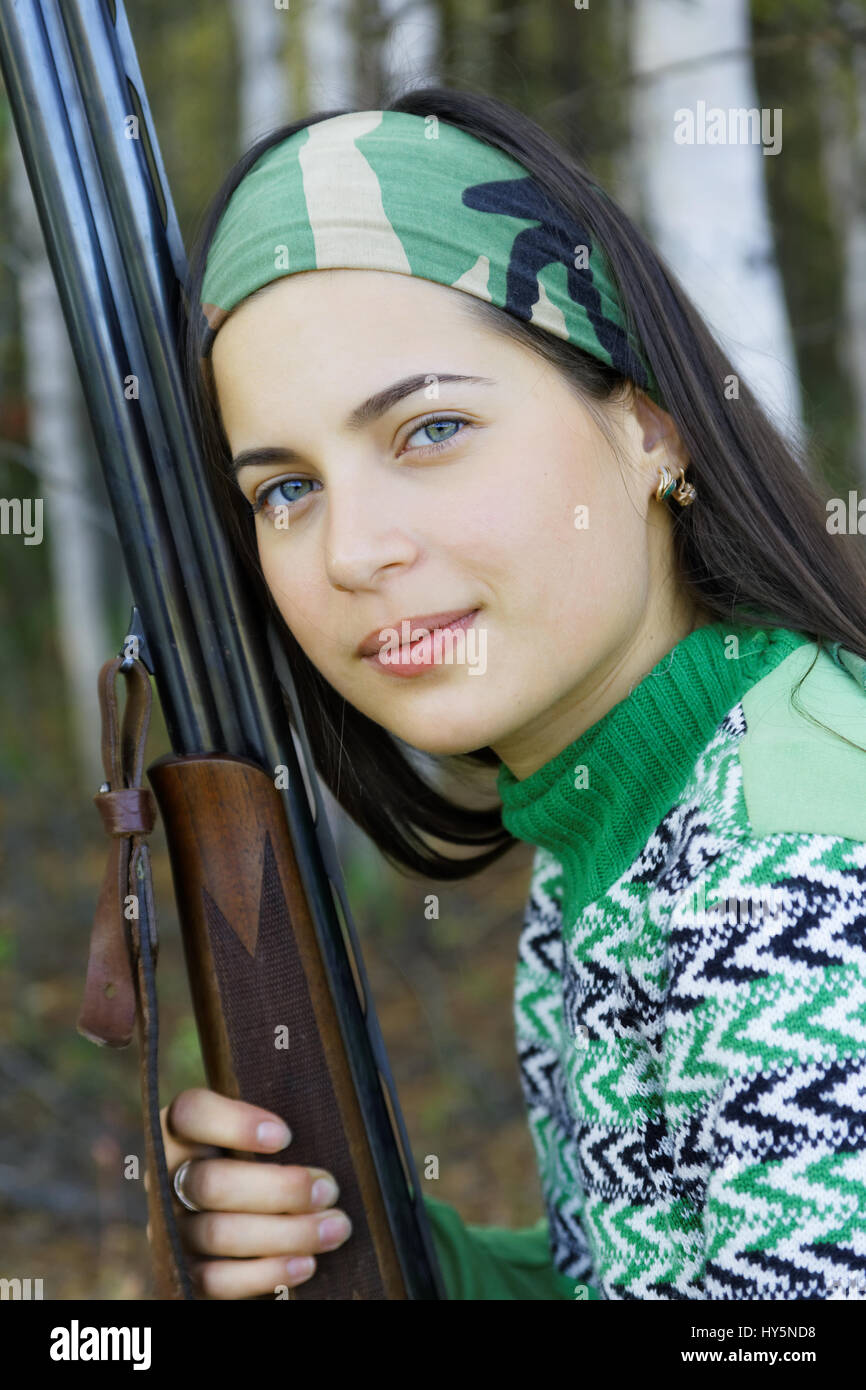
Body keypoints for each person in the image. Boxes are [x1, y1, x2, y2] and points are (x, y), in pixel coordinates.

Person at [159, 86, 866, 1300]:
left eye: (430, 429)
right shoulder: (627, 809)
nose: (349, 551)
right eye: (284, 490)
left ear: (648, 429)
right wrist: (364, 1244)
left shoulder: (784, 854)